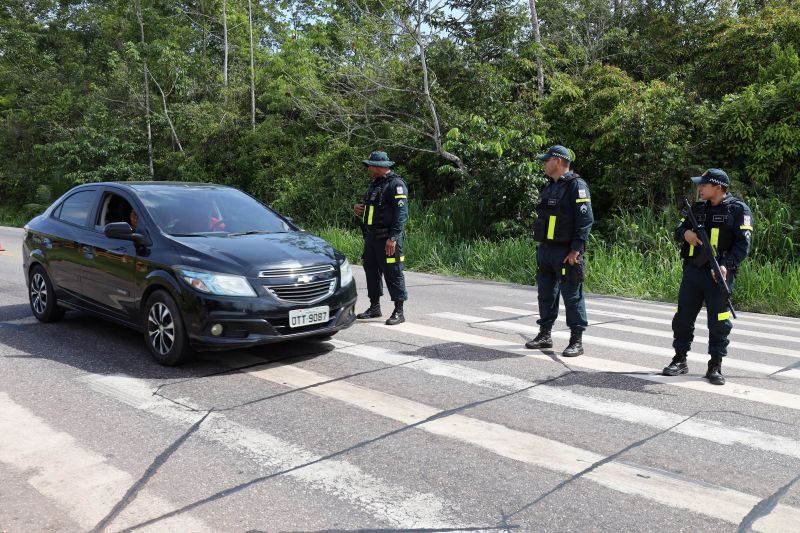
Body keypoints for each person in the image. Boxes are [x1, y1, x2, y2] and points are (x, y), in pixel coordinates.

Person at [663, 168, 753, 385]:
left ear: (718, 187)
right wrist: (686, 233)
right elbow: (679, 229)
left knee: (719, 321)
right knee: (683, 317)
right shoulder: (697, 207)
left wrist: (726, 265)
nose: (699, 188)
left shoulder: (738, 210)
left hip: (719, 274)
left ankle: (715, 365)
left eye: (704, 185)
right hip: (693, 271)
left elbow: (743, 244)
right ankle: (680, 359)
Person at [525, 145, 593, 357]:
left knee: (572, 296)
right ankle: (545, 335)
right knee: (545, 294)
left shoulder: (576, 186)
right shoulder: (550, 186)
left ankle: (576, 340)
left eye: (547, 160)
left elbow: (585, 220)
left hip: (566, 251)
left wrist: (576, 249)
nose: (544, 164)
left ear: (558, 161)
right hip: (546, 250)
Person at [353, 151, 409, 325]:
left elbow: (401, 214)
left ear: (380, 166)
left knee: (393, 273)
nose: (369, 168)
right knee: (371, 271)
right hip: (371, 239)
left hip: (387, 239)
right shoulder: (375, 185)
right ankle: (374, 307)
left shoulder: (396, 185)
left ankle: (399, 311)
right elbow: (371, 211)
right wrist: (359, 210)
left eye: (370, 165)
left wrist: (393, 238)